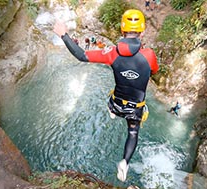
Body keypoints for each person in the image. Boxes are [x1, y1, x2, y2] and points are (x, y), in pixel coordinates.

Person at [53, 9, 159, 182]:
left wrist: (64, 35)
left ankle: (112, 110)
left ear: (122, 30)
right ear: (143, 30)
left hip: (117, 103)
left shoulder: (112, 53)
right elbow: (154, 70)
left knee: (112, 98)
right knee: (133, 132)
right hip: (135, 108)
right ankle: (125, 162)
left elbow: (82, 55)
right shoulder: (149, 55)